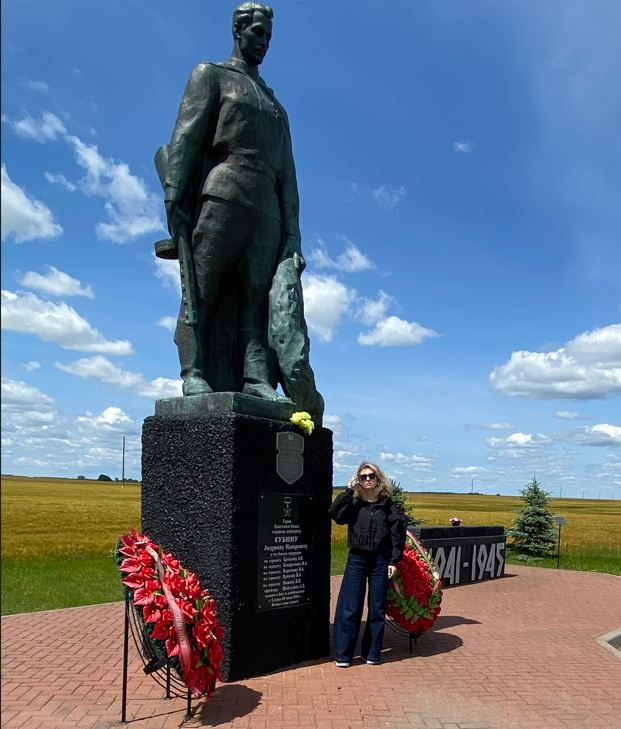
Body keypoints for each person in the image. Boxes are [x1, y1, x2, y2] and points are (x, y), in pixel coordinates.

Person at [162, 2, 306, 400]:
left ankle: (256, 377)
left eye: (269, 37)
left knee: (256, 302)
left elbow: (289, 178)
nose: (263, 42)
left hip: (267, 212)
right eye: (257, 32)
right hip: (223, 194)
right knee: (201, 290)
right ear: (238, 30)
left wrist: (293, 234)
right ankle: (194, 371)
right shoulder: (211, 75)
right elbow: (186, 137)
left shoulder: (277, 108)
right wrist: (174, 196)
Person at [329, 462, 407, 667]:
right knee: (350, 607)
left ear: (378, 478)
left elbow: (397, 535)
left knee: (377, 608)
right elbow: (336, 515)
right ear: (358, 480)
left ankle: (372, 653)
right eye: (363, 476)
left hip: (380, 560)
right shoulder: (354, 504)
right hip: (357, 558)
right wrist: (348, 491)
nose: (367, 479)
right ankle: (344, 655)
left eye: (371, 475)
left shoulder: (388, 506)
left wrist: (394, 561)